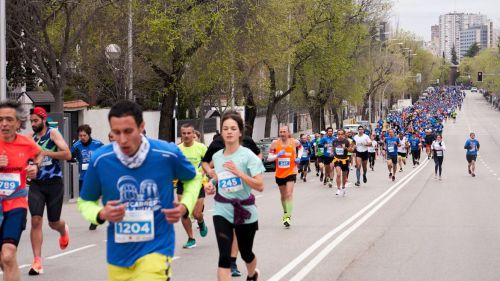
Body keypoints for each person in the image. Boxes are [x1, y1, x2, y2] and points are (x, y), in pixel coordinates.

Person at [78, 100, 201, 281]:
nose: (122, 139)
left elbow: (193, 178)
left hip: (157, 248)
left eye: (128, 131)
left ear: (141, 127)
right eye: (116, 132)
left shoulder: (166, 154)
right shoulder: (101, 159)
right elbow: (85, 201)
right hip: (119, 255)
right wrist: (100, 213)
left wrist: (185, 206)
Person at [204, 111, 264, 281]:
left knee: (246, 253)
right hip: (222, 210)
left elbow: (260, 186)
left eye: (233, 128)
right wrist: (211, 184)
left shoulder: (248, 156)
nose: (229, 132)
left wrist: (239, 173)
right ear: (221, 132)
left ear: (239, 132)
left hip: (245, 210)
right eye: (225, 128)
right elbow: (220, 177)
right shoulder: (216, 156)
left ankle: (252, 274)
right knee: (224, 256)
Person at [28, 107, 72, 275]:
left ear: (43, 119)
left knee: (53, 222)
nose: (33, 124)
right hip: (37, 184)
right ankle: (37, 261)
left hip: (54, 183)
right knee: (36, 220)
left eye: (36, 121)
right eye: (31, 121)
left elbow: (67, 154)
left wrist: (46, 152)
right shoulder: (30, 138)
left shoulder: (53, 134)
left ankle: (63, 230)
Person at [0, 101, 41, 281]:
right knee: (5, 261)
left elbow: (39, 153)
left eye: (9, 119)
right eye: (0, 120)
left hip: (16, 204)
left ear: (18, 123)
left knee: (8, 254)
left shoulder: (26, 143)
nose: (4, 124)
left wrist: (35, 166)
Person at [177, 123, 208, 249]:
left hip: (197, 183)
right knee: (183, 213)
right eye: (184, 133)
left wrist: (204, 171)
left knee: (196, 214)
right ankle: (191, 238)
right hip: (182, 183)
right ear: (181, 135)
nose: (186, 135)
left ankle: (201, 222)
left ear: (193, 134)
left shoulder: (200, 147)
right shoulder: (177, 149)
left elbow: (209, 162)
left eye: (189, 133)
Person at [70, 124, 104, 230]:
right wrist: (72, 159)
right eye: (80, 136)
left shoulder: (98, 144)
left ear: (89, 135)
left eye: (84, 135)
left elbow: (105, 156)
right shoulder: (76, 145)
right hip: (83, 176)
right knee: (84, 200)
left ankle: (94, 219)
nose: (82, 138)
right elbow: (69, 156)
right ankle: (96, 214)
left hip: (96, 176)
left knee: (93, 197)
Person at [267, 126, 303, 228]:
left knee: (289, 193)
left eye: (284, 131)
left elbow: (301, 148)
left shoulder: (294, 141)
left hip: (291, 171)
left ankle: (288, 216)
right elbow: (269, 158)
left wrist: (298, 158)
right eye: (281, 132)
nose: (282, 133)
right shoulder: (275, 143)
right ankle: (286, 211)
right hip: (279, 173)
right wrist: (277, 155)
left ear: (288, 132)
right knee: (283, 196)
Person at [332, 129, 352, 196]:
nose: (340, 135)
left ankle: (343, 187)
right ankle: (338, 188)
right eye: (339, 134)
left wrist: (345, 148)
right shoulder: (334, 141)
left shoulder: (346, 141)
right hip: (337, 160)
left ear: (344, 134)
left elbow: (351, 150)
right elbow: (333, 148)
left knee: (344, 176)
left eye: (341, 134)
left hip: (345, 160)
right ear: (337, 134)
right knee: (338, 174)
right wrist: (332, 153)